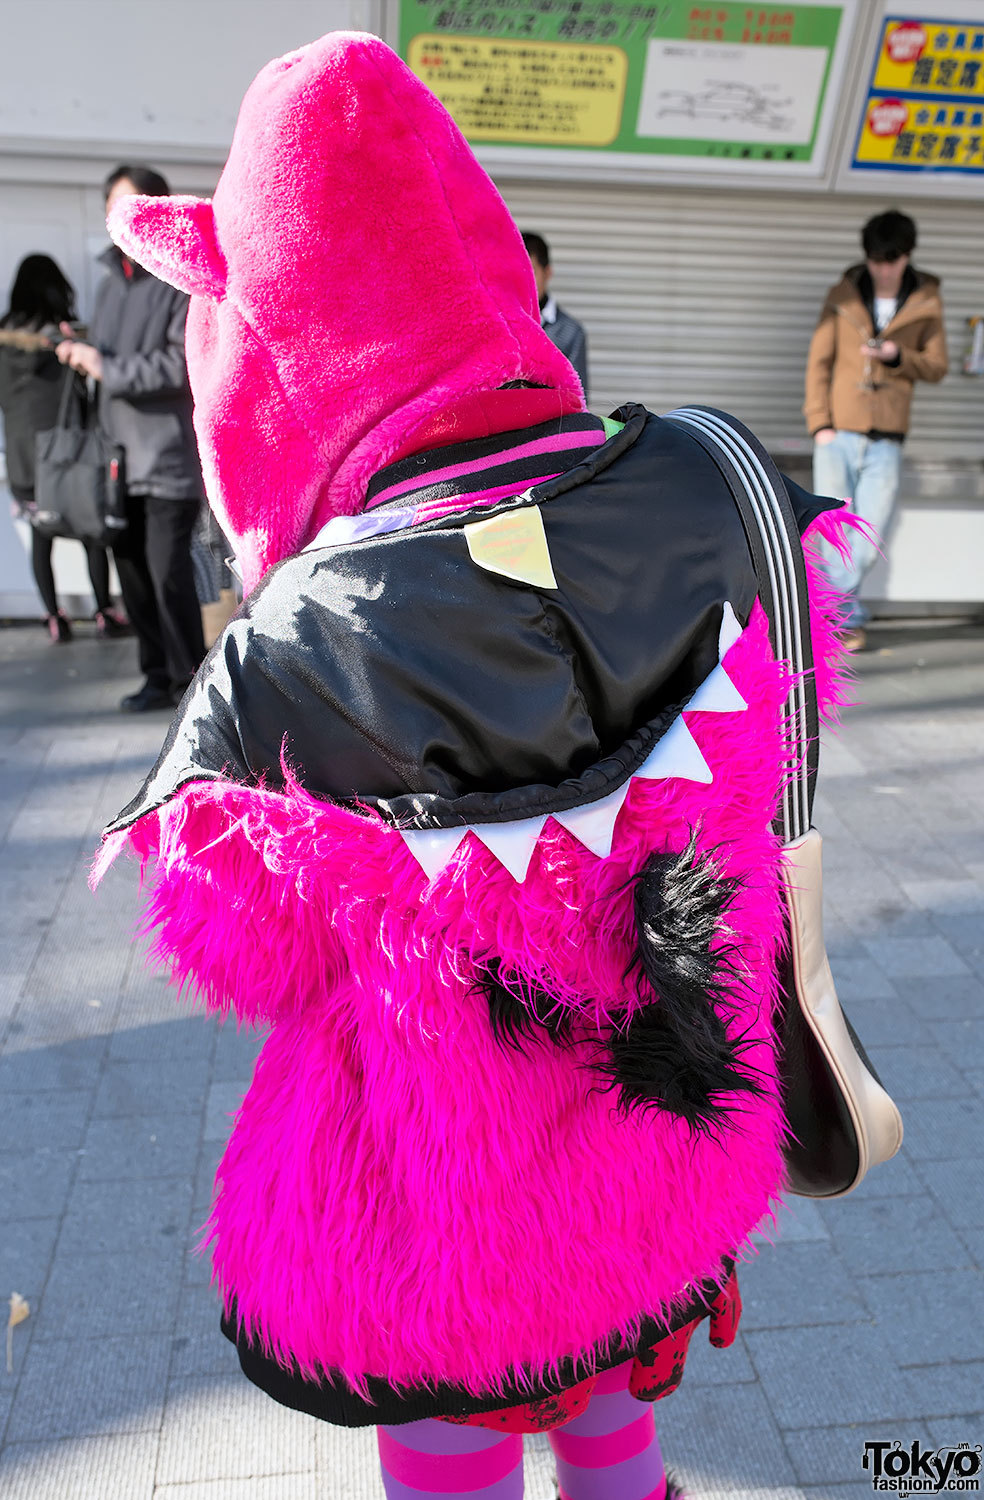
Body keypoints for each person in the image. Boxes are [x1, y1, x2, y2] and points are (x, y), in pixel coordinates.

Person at [94, 35, 849, 1500]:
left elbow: (242, 948)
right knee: (620, 1425)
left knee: (453, 1450)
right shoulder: (705, 474)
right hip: (664, 1145)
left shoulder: (301, 632)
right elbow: (784, 737)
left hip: (451, 1216)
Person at [57, 166, 205, 710]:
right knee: (134, 575)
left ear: (158, 209)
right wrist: (87, 349)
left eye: (133, 205)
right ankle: (155, 676)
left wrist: (105, 364)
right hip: (117, 459)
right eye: (114, 208)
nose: (122, 218)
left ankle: (192, 684)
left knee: (169, 576)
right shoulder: (105, 283)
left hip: (166, 457)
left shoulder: (177, 281)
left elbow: (179, 365)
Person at [804, 209, 948, 649]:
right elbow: (819, 361)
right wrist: (819, 424)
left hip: (887, 437)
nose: (883, 269)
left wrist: (898, 355)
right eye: (876, 260)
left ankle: (829, 613)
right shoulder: (842, 295)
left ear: (907, 257)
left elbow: (937, 366)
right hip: (837, 433)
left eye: (892, 260)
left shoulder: (926, 301)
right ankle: (843, 621)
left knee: (867, 538)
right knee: (833, 530)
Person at [0, 255, 126, 642]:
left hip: (23, 455)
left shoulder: (1, 336)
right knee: (89, 528)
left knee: (41, 534)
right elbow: (81, 389)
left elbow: (0, 394)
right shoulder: (59, 336)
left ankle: (54, 616)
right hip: (67, 452)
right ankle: (103, 610)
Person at [522, 231, 589, 397]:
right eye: (518, 272)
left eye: (531, 272)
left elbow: (579, 398)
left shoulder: (571, 332)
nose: (524, 281)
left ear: (548, 272)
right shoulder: (500, 325)